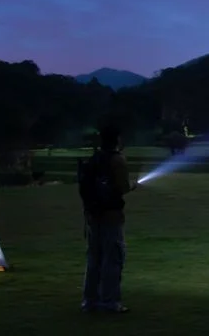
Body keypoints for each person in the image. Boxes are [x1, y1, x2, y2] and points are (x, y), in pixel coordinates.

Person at [80, 123, 138, 313]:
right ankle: (110, 302)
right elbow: (123, 187)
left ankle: (90, 301)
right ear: (117, 139)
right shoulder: (117, 159)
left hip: (93, 214)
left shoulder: (94, 159)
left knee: (94, 257)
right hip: (111, 215)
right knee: (113, 257)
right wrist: (133, 185)